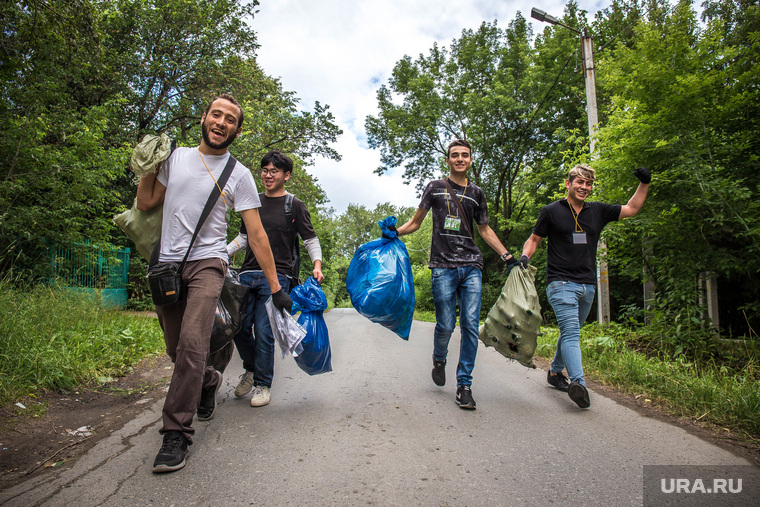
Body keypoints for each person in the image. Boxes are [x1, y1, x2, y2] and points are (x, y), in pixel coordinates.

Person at [136, 94, 292, 473]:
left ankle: (176, 433)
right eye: (216, 114)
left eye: (230, 120)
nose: (222, 122)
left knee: (193, 343)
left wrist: (275, 287)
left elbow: (256, 235)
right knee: (176, 349)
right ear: (205, 118)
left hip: (209, 264)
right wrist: (146, 164)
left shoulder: (239, 174)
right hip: (167, 265)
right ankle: (207, 381)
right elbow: (145, 202)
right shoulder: (175, 159)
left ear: (236, 130)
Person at [396, 139, 519, 410]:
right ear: (448, 160)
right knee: (446, 325)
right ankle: (439, 358)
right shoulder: (435, 188)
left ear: (471, 160)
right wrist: (395, 232)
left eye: (465, 155)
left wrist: (507, 255)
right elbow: (416, 222)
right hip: (442, 265)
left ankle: (464, 385)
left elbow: (485, 230)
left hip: (472, 265)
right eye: (455, 155)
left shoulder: (477, 193)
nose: (460, 159)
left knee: (471, 326)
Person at [521, 164, 651, 408]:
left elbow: (632, 209)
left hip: (588, 285)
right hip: (559, 283)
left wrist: (644, 183)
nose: (584, 187)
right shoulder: (551, 211)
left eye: (588, 184)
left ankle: (555, 372)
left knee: (570, 332)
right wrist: (525, 257)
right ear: (568, 184)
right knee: (572, 333)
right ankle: (578, 383)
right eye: (579, 182)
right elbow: (534, 239)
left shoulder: (598, 211)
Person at [226, 150, 325, 407]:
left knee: (264, 330)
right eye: (265, 170)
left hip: (278, 278)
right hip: (247, 274)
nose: (268, 175)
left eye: (274, 171)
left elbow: (310, 239)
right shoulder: (252, 200)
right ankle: (251, 369)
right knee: (236, 326)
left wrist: (317, 265)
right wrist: (221, 253)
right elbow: (244, 238)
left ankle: (262, 385)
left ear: (286, 175)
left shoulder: (294, 205)